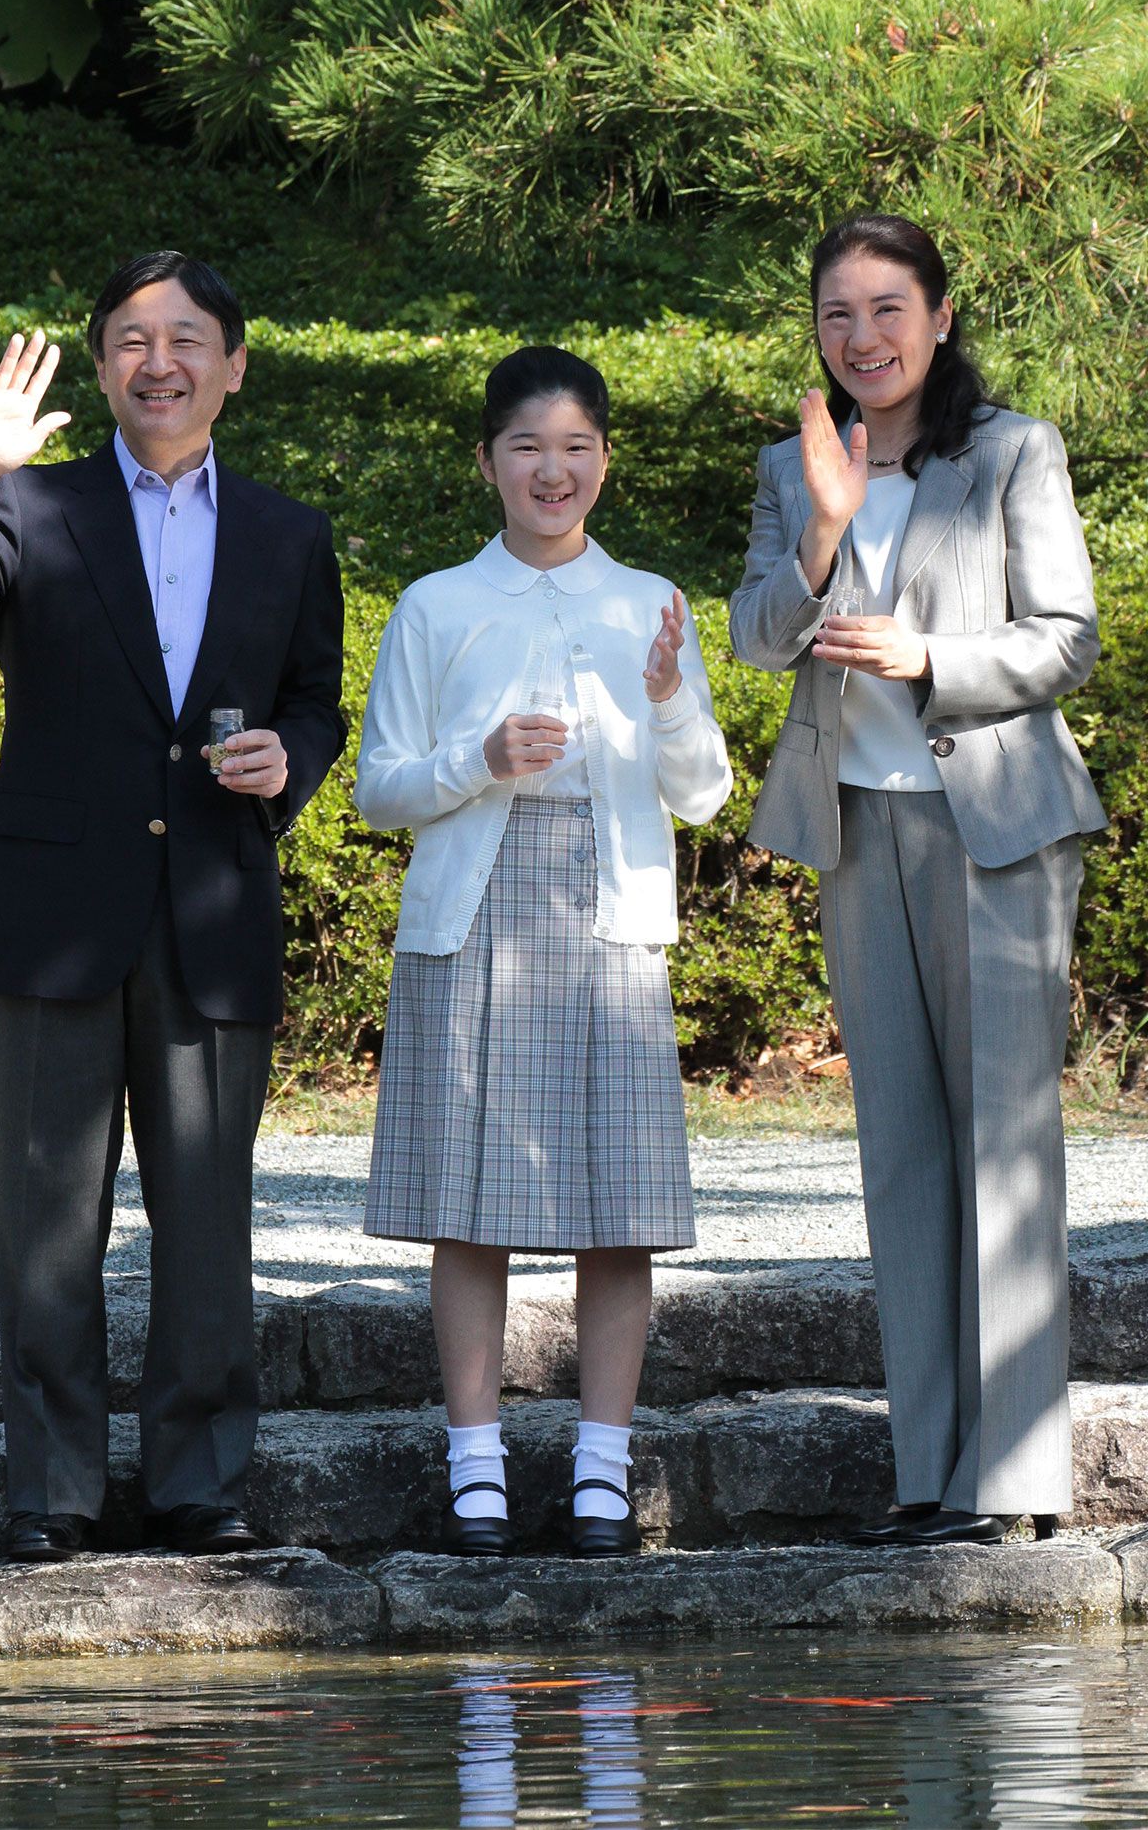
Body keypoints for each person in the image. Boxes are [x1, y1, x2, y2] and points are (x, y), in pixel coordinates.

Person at [0, 253, 345, 1561]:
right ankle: (54, 1492)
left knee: (207, 1211)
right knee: (45, 1213)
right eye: (133, 339)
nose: (161, 361)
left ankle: (199, 1478)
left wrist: (289, 765)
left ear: (234, 366)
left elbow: (316, 701)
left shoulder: (289, 532)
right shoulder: (31, 505)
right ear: (101, 369)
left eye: (188, 338)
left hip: (211, 900)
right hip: (53, 906)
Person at [729, 213, 1106, 1546]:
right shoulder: (797, 465)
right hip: (859, 828)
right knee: (900, 1148)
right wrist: (825, 533)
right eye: (839, 314)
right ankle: (930, 1469)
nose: (864, 337)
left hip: (996, 829)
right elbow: (758, 634)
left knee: (1003, 1146)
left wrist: (933, 661)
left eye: (889, 309)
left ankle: (1015, 1479)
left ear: (940, 317)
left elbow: (1067, 638)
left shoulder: (1009, 453)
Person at [355, 346, 732, 1557]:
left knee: (614, 1209)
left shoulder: (648, 602)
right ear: (486, 463)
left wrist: (669, 696)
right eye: (526, 447)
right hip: (472, 916)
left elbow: (705, 792)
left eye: (574, 447)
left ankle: (600, 1470)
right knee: (469, 1204)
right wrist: (481, 763)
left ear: (604, 463)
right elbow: (378, 790)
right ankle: (474, 1464)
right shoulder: (435, 604)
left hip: (610, 916)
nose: (551, 469)